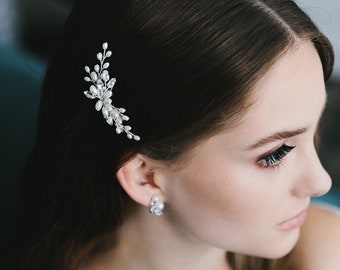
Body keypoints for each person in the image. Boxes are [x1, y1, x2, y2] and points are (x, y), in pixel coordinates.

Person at [6, 0, 340, 269]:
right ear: (146, 177)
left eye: (314, 126)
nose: (321, 183)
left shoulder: (326, 250)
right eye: (276, 153)